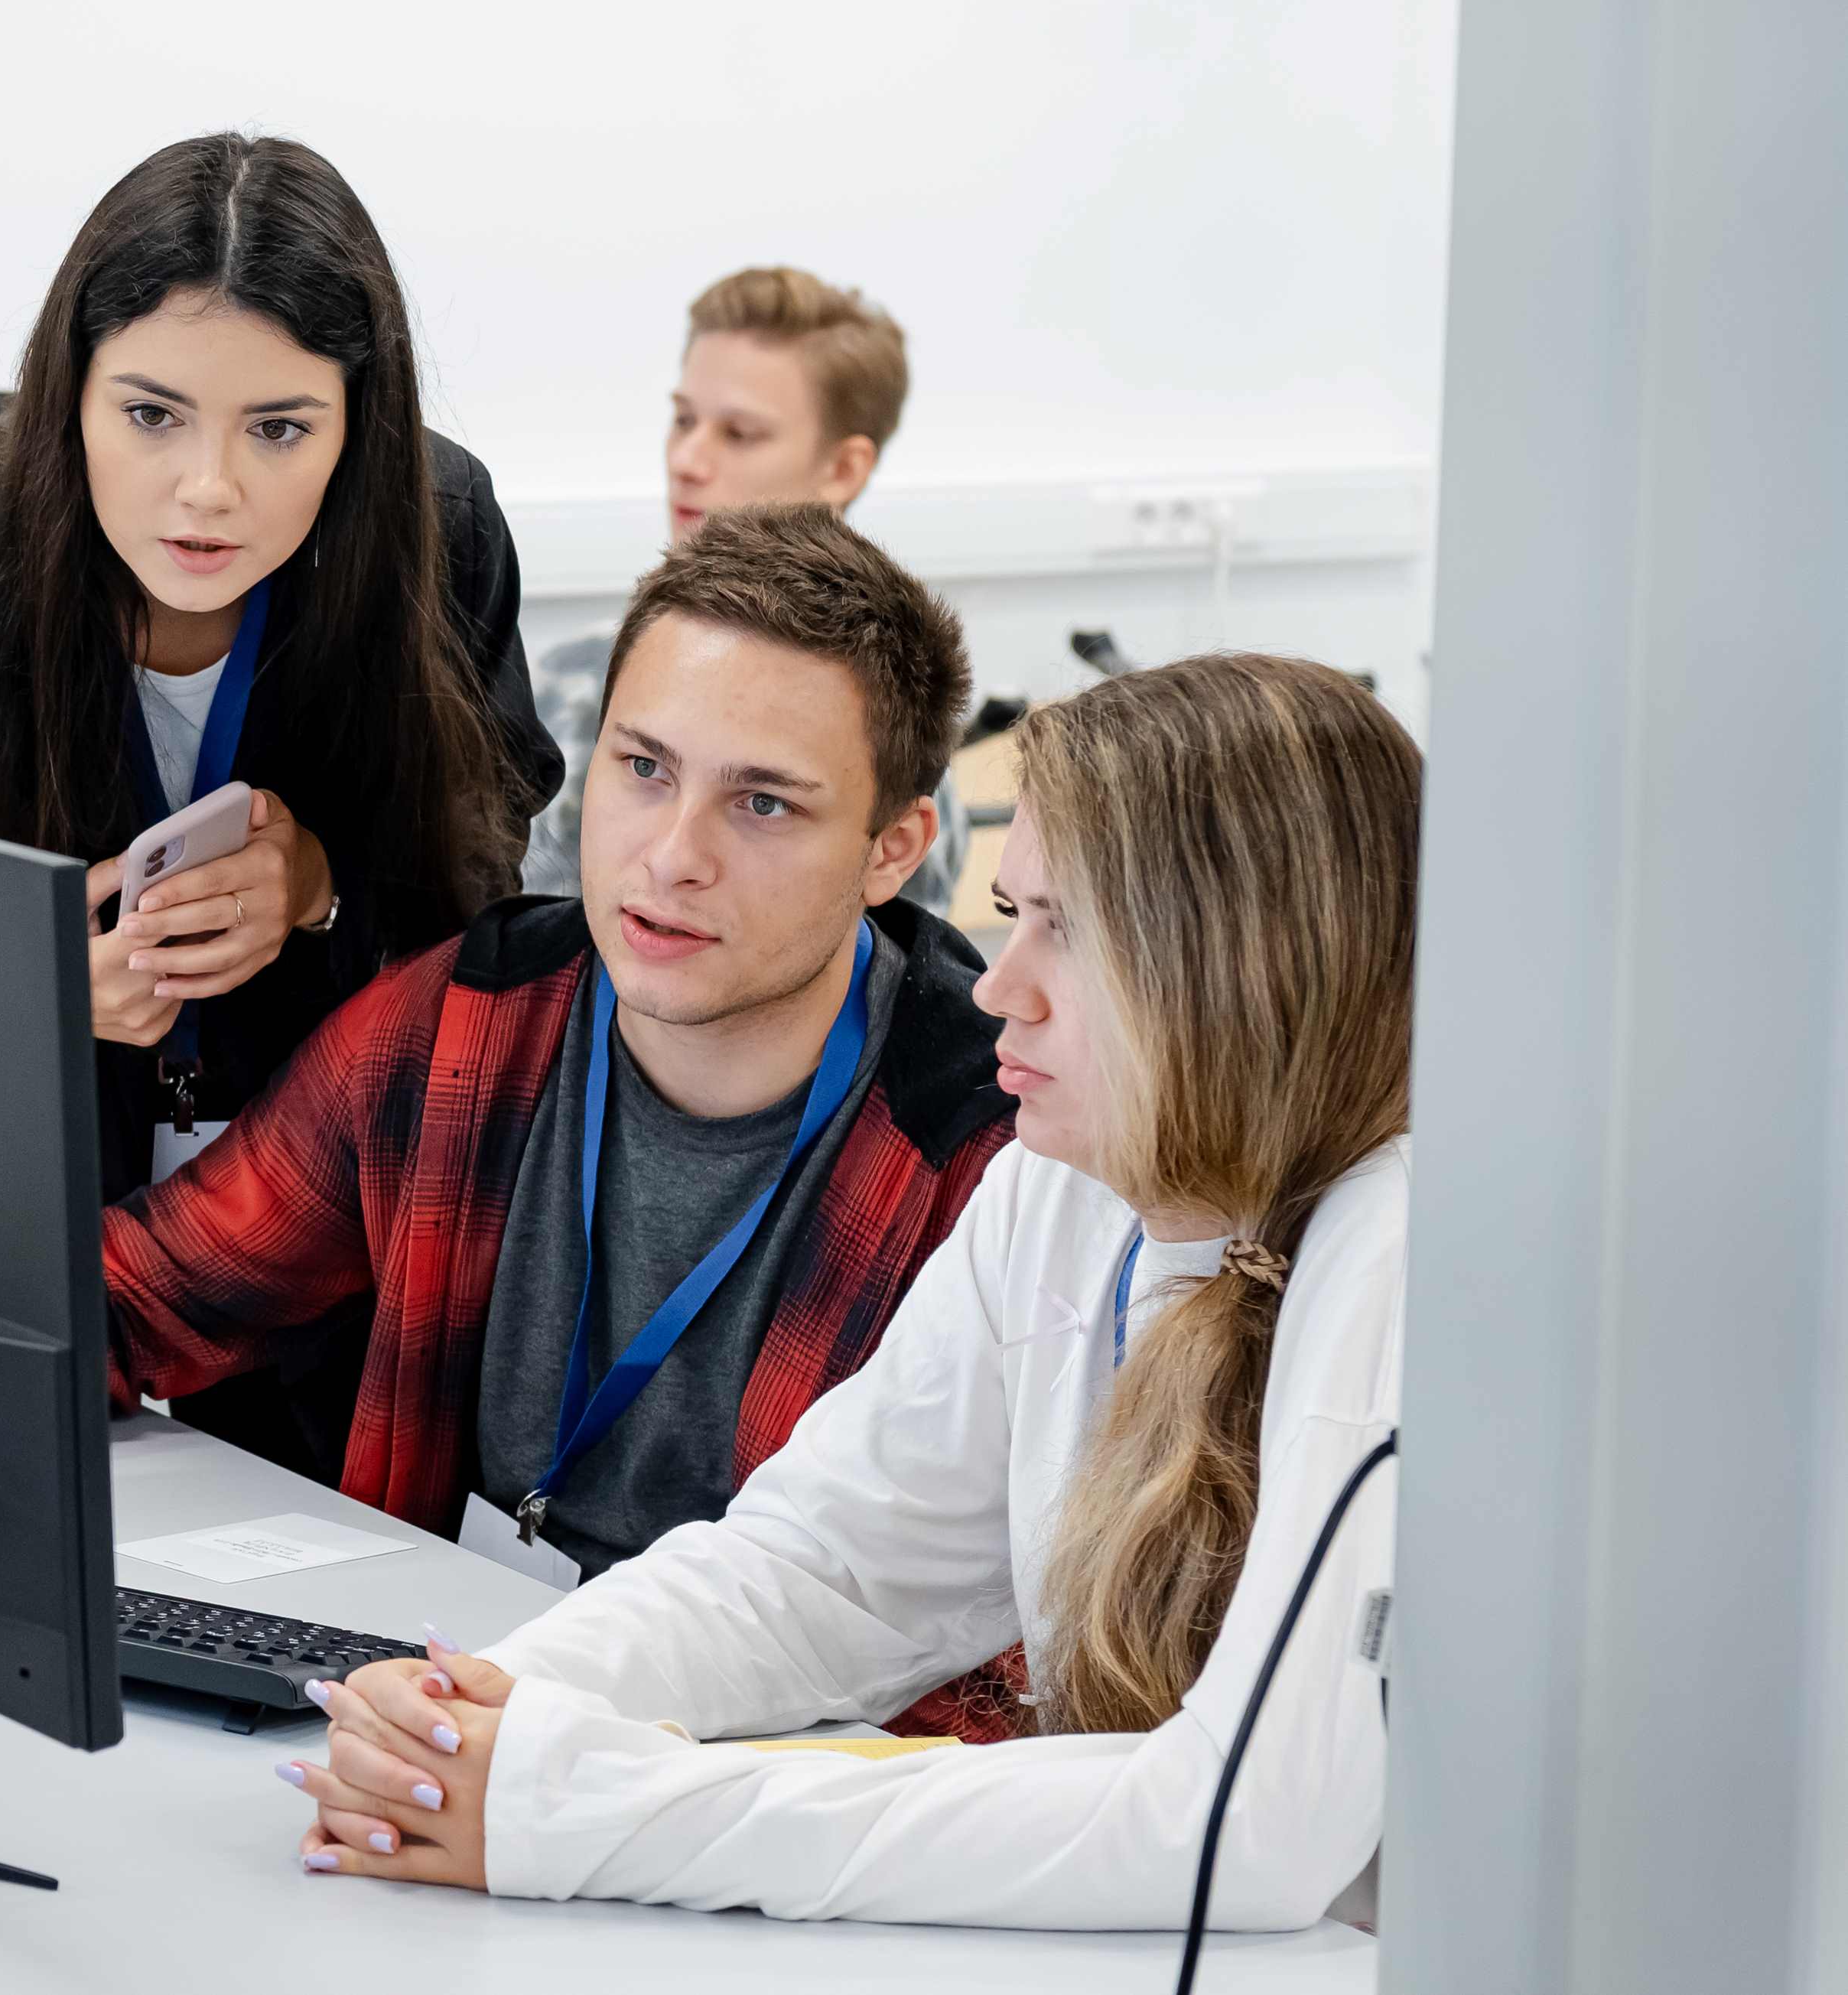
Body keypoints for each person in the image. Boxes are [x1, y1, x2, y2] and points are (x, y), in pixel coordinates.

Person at [285, 652, 1414, 1934]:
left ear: (1244, 967)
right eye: (1012, 913)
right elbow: (824, 1573)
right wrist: (480, 1708)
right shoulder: (1065, 1187)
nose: (998, 986)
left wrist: (592, 1812)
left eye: (1068, 931)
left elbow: (1241, 1828)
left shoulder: (1399, 1254)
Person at [106, 505, 1020, 1737]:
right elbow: (132, 1297)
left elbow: (987, 1679)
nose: (673, 856)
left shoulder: (993, 1160)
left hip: (754, 1776)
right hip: (447, 1715)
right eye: (645, 769)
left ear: (893, 849)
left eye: (762, 804)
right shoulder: (468, 1017)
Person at [0, 133, 564, 1475]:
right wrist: (20, 1000)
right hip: (10, 1268)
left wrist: (321, 883)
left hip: (326, 1258)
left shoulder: (440, 532)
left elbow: (484, 887)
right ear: (68, 395)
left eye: (281, 428)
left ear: (359, 423)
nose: (208, 489)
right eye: (150, 415)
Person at [522, 267, 967, 915]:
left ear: (843, 467)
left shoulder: (891, 744)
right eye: (683, 420)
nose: (686, 460)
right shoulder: (564, 692)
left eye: (739, 434)